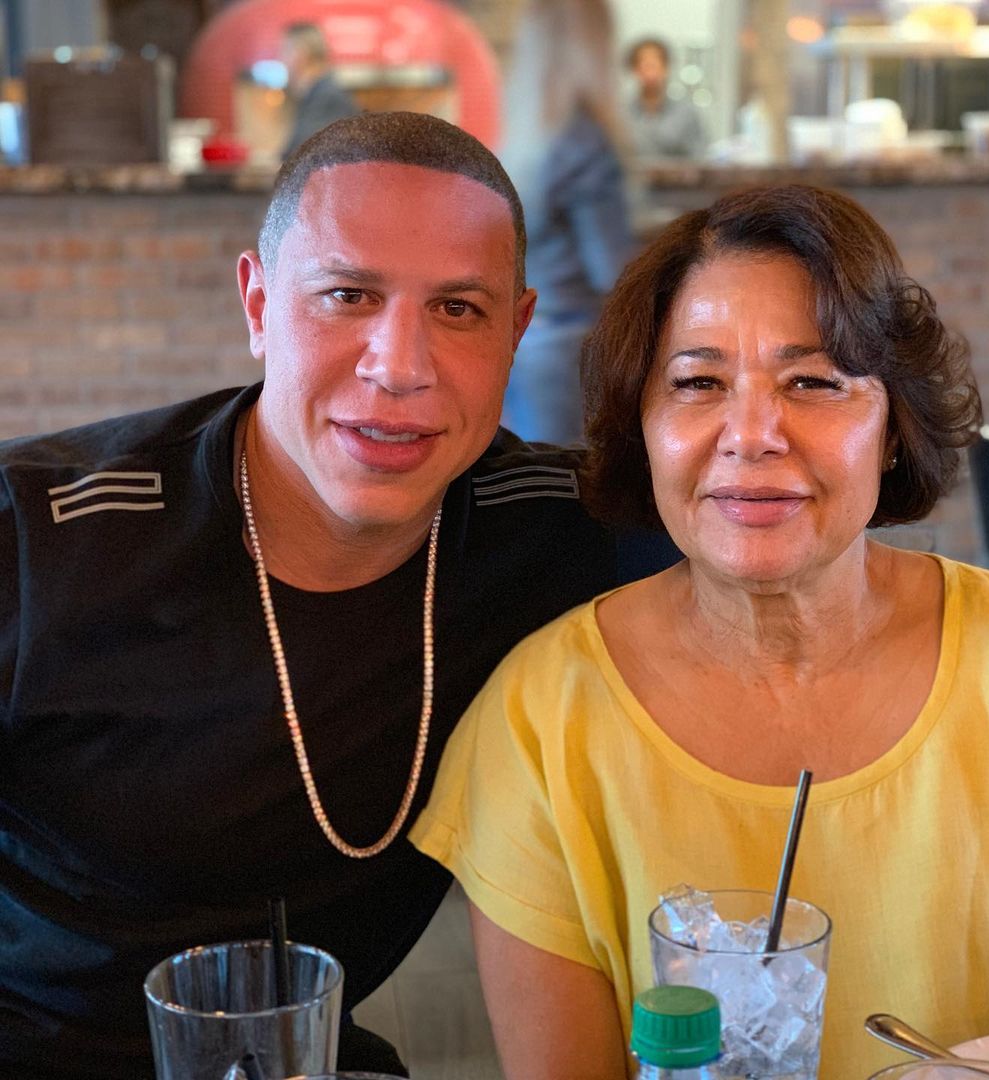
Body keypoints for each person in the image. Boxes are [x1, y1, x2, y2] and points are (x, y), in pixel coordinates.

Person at [0, 112, 677, 1080]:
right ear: (258, 303)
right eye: (348, 295)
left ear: (517, 331)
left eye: (458, 310)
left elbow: (778, 537)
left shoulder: (557, 530)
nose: (398, 367)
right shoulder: (41, 535)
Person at [411, 184, 989, 1079]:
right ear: (641, 426)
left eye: (813, 381)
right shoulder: (540, 725)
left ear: (891, 425)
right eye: (698, 383)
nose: (753, 433)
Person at [499, 0, 634, 445]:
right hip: (569, 344)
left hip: (522, 338)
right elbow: (610, 268)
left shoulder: (526, 139)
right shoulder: (586, 139)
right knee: (569, 491)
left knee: (526, 483)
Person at [279, 21, 358, 159]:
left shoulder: (327, 97)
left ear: (301, 53)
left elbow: (304, 155)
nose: (281, 60)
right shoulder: (314, 95)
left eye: (285, 51)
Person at [624, 37, 706, 159]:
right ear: (634, 69)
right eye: (645, 65)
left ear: (666, 68)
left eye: (655, 65)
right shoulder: (619, 113)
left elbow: (700, 155)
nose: (650, 73)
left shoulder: (686, 113)